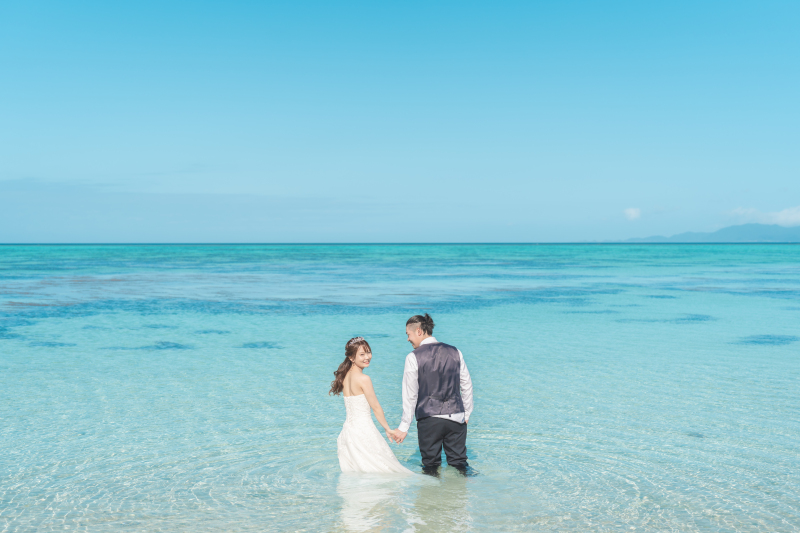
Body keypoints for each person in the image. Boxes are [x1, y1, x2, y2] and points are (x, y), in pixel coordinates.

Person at [393, 314, 474, 475]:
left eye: (408, 335)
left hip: (429, 419)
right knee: (459, 463)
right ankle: (465, 496)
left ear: (418, 331)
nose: (408, 339)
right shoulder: (455, 351)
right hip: (456, 417)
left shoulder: (412, 357)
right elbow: (466, 384)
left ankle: (430, 499)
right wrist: (467, 412)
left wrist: (404, 426)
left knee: (430, 466)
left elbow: (410, 395)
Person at [331, 337, 413, 474]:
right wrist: (387, 429)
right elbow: (375, 407)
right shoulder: (364, 379)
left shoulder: (344, 378)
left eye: (368, 352)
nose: (367, 357)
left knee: (359, 473)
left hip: (349, 432)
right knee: (385, 471)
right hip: (364, 431)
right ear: (351, 357)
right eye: (362, 354)